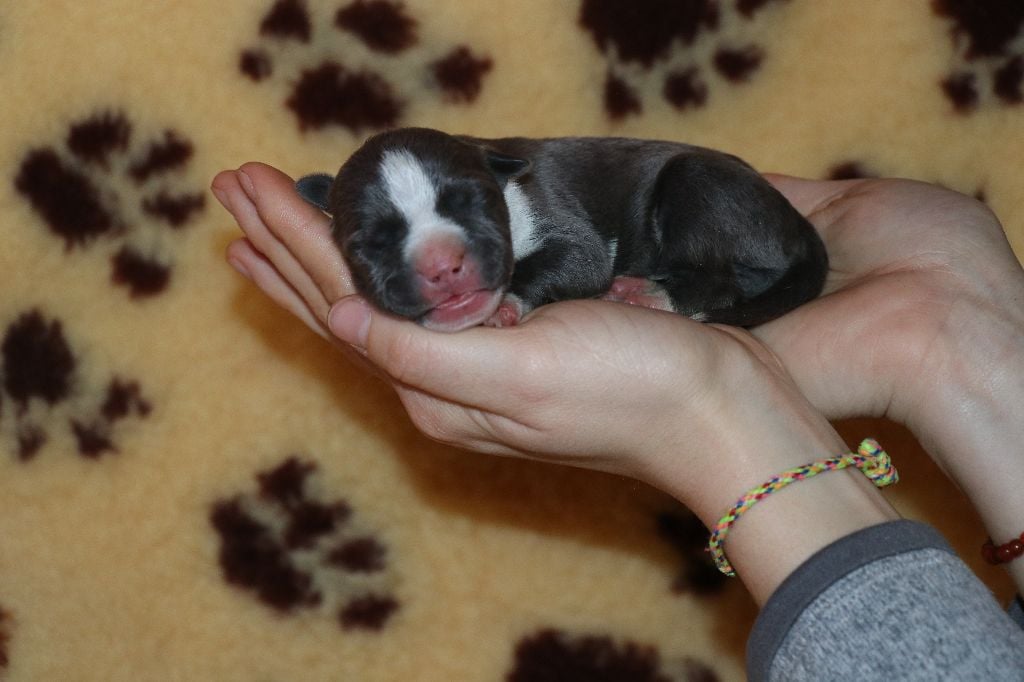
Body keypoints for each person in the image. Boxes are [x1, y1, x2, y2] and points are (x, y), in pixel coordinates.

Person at [211, 162, 1024, 680]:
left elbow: (579, 253)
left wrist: (712, 415)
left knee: (686, 218)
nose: (440, 259)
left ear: (496, 183)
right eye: (383, 243)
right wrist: (956, 339)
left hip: (696, 209)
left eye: (463, 213)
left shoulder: (532, 197)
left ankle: (700, 289)